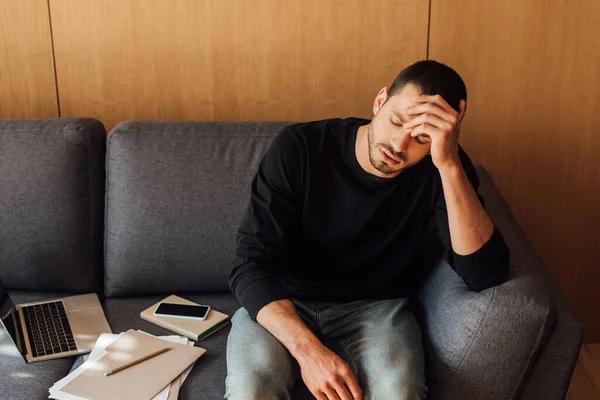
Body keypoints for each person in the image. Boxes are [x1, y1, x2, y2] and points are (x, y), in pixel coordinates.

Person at [225, 60, 510, 400]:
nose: (400, 145)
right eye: (397, 121)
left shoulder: (443, 166)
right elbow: (248, 265)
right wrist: (309, 351)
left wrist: (448, 165)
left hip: (376, 307)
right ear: (379, 101)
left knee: (399, 393)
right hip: (285, 299)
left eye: (420, 137)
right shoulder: (300, 147)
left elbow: (484, 274)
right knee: (249, 392)